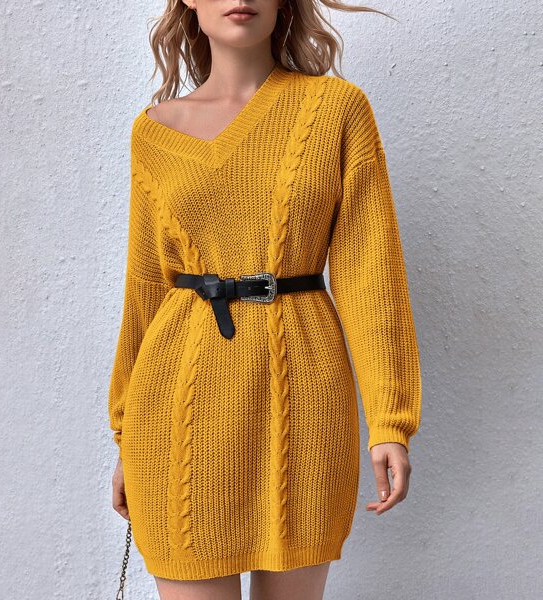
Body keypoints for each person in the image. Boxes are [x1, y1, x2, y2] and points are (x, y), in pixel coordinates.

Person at [108, 1, 422, 598]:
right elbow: (146, 286)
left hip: (303, 400)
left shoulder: (336, 110)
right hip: (176, 410)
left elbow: (370, 273)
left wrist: (390, 420)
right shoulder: (153, 132)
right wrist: (124, 436)